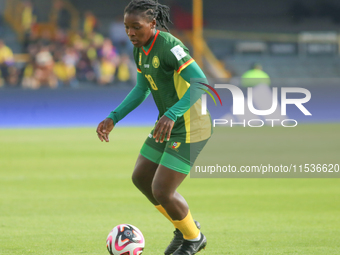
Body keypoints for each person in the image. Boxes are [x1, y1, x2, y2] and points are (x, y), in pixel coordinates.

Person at [96, 1, 211, 254]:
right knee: (141, 178)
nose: (130, 33)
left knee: (162, 189)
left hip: (192, 125)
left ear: (152, 24)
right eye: (127, 27)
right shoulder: (140, 48)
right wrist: (114, 117)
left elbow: (201, 83)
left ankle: (193, 238)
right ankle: (186, 228)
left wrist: (171, 114)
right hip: (167, 124)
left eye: (136, 27)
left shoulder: (170, 46)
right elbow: (141, 88)